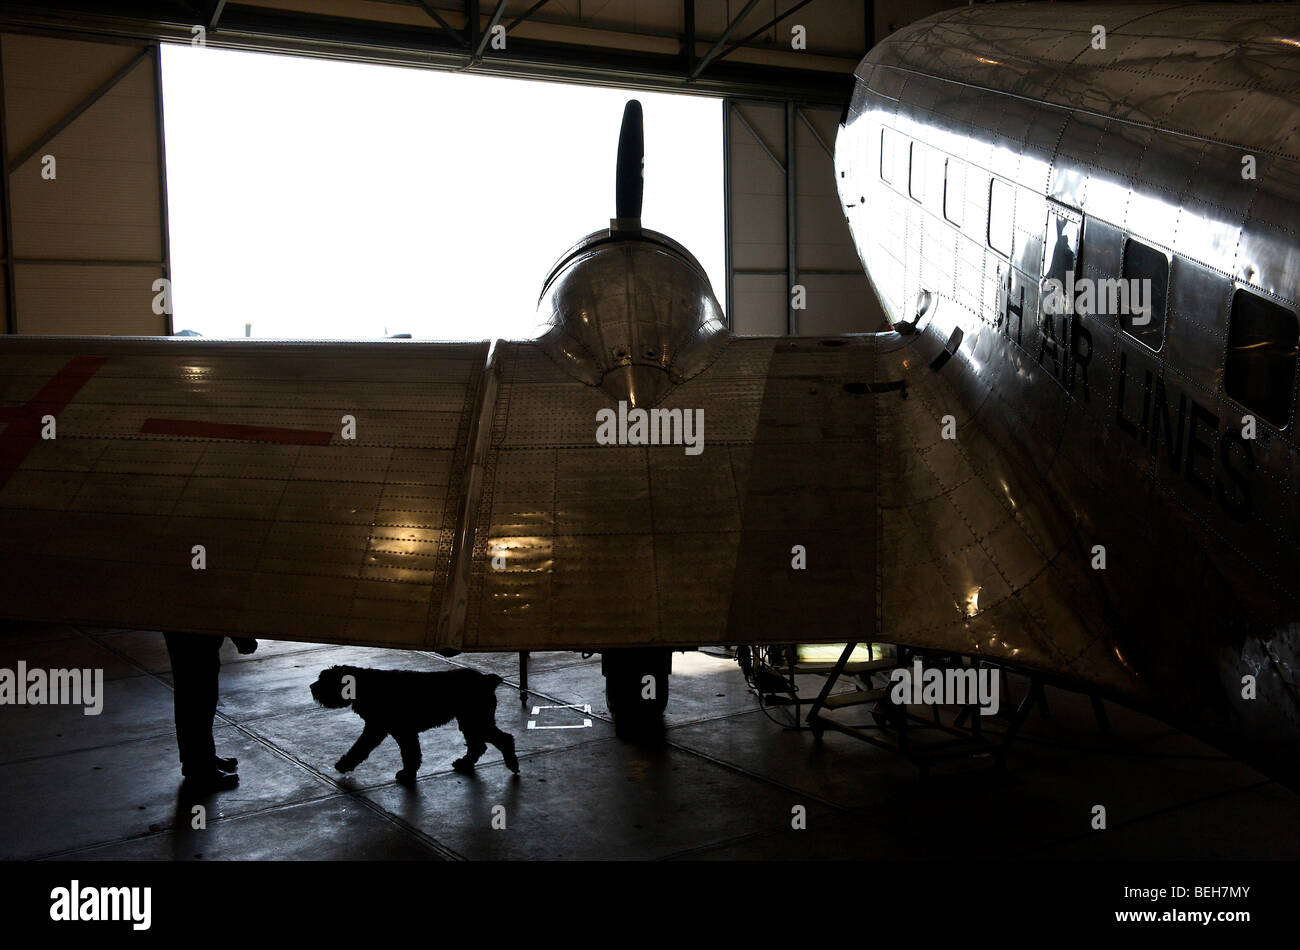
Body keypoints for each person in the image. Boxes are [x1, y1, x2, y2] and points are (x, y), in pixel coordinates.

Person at [162, 632, 257, 792]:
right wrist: (241, 637)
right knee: (199, 700)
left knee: (192, 695)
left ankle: (198, 761)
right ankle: (201, 770)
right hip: (196, 631)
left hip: (183, 625)